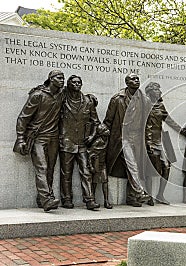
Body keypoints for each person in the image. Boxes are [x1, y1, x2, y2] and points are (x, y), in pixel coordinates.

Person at [13, 70, 65, 212]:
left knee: (50, 169)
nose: (62, 81)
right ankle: (47, 199)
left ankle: (42, 199)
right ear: (51, 79)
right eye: (59, 78)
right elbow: (23, 118)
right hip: (38, 138)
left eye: (63, 78)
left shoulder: (61, 94)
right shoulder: (37, 95)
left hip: (54, 137)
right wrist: (21, 138)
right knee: (41, 167)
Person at [103, 73, 151, 207]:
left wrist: (148, 140)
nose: (136, 81)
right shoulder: (117, 99)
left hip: (138, 138)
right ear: (127, 83)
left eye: (137, 79)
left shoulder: (145, 100)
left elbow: (148, 123)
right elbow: (108, 120)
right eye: (133, 79)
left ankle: (132, 197)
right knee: (132, 165)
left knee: (137, 166)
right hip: (122, 138)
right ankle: (139, 191)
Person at [59, 75, 100, 210]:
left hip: (83, 143)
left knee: (86, 171)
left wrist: (92, 136)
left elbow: (95, 122)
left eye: (79, 82)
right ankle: (66, 199)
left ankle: (89, 200)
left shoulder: (88, 101)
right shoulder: (62, 99)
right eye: (74, 82)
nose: (77, 84)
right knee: (66, 173)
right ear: (68, 84)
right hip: (66, 141)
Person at [144, 82, 181, 205]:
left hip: (160, 141)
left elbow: (169, 120)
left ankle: (160, 195)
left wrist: (182, 131)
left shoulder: (160, 106)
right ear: (150, 91)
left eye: (159, 89)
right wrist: (148, 143)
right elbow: (144, 125)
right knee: (150, 169)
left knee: (166, 166)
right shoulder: (145, 104)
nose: (159, 91)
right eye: (156, 89)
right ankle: (149, 196)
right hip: (149, 142)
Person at [87, 123, 113, 209]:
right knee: (94, 183)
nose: (108, 131)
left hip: (103, 165)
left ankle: (106, 201)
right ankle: (92, 199)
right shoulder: (98, 142)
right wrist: (91, 167)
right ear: (101, 133)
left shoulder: (107, 140)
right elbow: (90, 154)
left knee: (105, 182)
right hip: (97, 164)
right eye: (105, 130)